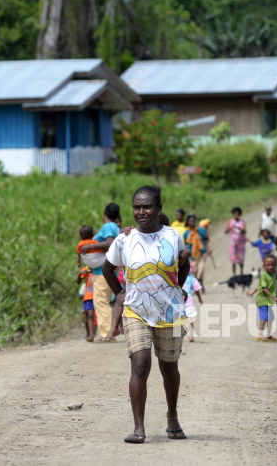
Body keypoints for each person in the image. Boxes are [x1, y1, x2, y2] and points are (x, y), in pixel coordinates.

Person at [102, 185, 191, 444]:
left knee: (169, 368)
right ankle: (138, 427)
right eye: (137, 207)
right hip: (135, 311)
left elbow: (183, 264)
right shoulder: (124, 239)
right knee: (140, 364)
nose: (141, 211)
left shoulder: (173, 236)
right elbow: (108, 269)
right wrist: (120, 293)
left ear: (159, 208)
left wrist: (178, 289)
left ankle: (172, 417)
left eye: (147, 206)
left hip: (170, 312)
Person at [79, 203, 121, 341]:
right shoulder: (116, 227)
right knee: (105, 301)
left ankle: (107, 333)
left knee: (101, 301)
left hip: (101, 272)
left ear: (104, 214)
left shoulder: (108, 226)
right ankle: (110, 331)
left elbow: (110, 243)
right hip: (107, 271)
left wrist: (91, 246)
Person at [247, 254, 277, 342]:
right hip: (262, 299)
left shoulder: (273, 275)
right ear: (264, 266)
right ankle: (259, 335)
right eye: (268, 265)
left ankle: (269, 335)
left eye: (272, 265)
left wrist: (253, 291)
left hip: (268, 300)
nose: (270, 267)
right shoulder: (264, 275)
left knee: (271, 318)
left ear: (276, 265)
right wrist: (274, 297)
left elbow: (260, 285)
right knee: (265, 317)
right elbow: (264, 288)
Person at [183, 214, 210, 284]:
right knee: (194, 271)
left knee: (201, 269)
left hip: (202, 253)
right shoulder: (186, 233)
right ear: (188, 222)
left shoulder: (200, 230)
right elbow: (185, 244)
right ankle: (198, 285)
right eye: (191, 221)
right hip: (192, 255)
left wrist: (208, 248)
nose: (192, 222)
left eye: (193, 221)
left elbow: (206, 240)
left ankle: (199, 282)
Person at [183, 262, 203, 342]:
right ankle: (190, 336)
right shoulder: (191, 278)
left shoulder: (177, 277)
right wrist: (200, 299)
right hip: (189, 300)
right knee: (190, 318)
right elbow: (197, 290)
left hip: (178, 300)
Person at [226, 207, 247, 276]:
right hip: (233, 243)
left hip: (240, 243)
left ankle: (241, 272)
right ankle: (234, 274)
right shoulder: (231, 221)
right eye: (235, 214)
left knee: (240, 258)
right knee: (233, 259)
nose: (236, 215)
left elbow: (244, 231)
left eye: (237, 214)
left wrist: (239, 229)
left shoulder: (242, 222)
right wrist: (230, 227)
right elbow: (226, 231)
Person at [77, 266, 96, 342]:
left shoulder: (99, 268)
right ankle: (90, 335)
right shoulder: (85, 269)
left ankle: (94, 334)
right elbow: (78, 281)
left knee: (95, 317)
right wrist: (80, 275)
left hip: (99, 295)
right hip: (89, 296)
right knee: (90, 315)